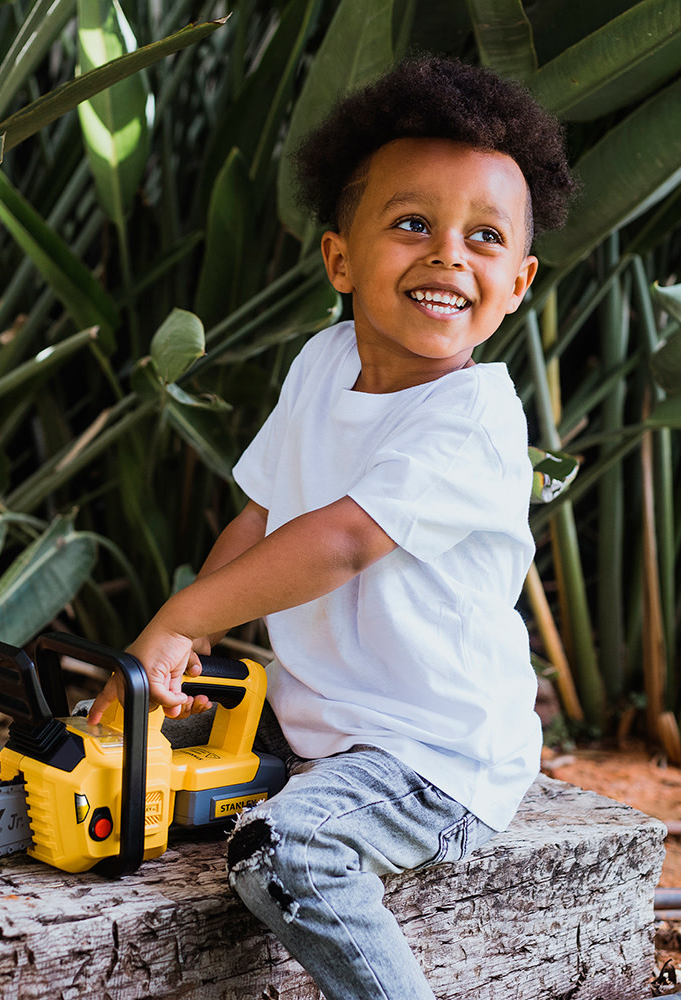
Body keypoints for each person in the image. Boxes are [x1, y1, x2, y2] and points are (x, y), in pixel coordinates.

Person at [88, 55, 575, 999]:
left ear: (517, 283)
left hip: (434, 756)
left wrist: (184, 613)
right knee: (171, 759)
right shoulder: (324, 360)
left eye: (483, 238)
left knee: (284, 850)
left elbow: (341, 541)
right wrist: (171, 648)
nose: (446, 255)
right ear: (339, 258)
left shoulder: (470, 419)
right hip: (330, 726)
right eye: (411, 225)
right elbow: (265, 515)